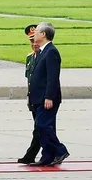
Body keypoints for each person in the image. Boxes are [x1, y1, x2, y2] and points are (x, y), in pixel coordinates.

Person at [27, 23, 68, 166]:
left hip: (47, 98)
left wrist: (49, 97)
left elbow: (52, 77)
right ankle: (47, 156)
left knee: (43, 125)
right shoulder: (42, 51)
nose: (34, 35)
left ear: (43, 34)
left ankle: (60, 150)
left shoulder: (51, 51)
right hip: (39, 97)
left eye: (37, 32)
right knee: (42, 127)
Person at [18, 25, 42, 164]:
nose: (34, 44)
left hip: (43, 98)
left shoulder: (46, 55)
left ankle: (31, 155)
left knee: (40, 128)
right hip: (33, 98)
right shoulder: (29, 58)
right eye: (31, 41)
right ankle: (52, 153)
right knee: (42, 128)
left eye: (36, 40)